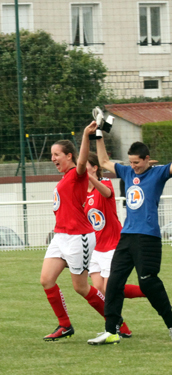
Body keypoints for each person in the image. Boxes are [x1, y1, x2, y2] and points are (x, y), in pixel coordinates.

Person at [87, 118, 172, 345]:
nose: (133, 167)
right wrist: (99, 134)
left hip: (148, 237)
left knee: (147, 283)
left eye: (137, 163)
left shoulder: (158, 173)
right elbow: (102, 160)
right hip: (127, 236)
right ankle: (111, 330)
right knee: (113, 282)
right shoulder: (127, 172)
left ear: (147, 159)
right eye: (131, 162)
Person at [41, 122, 105, 341]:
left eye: (56, 154)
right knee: (46, 279)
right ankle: (65, 325)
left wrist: (86, 136)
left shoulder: (77, 173)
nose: (53, 158)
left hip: (79, 237)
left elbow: (82, 160)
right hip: (61, 236)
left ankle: (116, 322)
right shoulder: (65, 178)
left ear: (69, 156)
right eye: (52, 155)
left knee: (81, 287)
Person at [84, 152, 146, 338]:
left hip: (113, 244)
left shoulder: (105, 183)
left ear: (94, 167)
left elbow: (108, 193)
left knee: (109, 288)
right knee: (100, 291)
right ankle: (120, 326)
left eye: (84, 165)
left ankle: (147, 292)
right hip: (95, 249)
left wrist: (89, 178)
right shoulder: (80, 192)